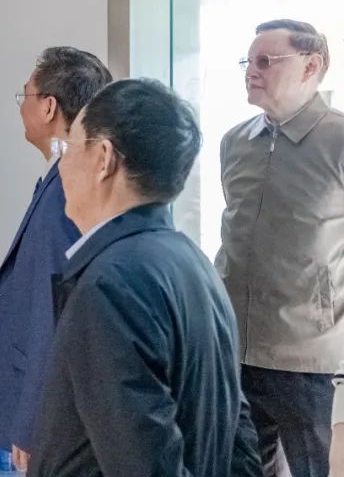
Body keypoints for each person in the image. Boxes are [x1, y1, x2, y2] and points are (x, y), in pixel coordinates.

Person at [30, 78, 260, 476]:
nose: (62, 163)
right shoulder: (193, 263)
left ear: (103, 158)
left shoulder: (111, 285)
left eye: (68, 147)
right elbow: (239, 441)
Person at [216, 19, 344, 477]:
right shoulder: (235, 142)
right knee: (241, 467)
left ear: (311, 66)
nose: (252, 71)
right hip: (236, 348)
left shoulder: (338, 139)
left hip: (307, 356)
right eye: (248, 61)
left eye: (266, 61)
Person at [0, 47, 112, 471]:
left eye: (27, 96)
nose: (22, 107)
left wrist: (34, 422)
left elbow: (54, 309)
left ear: (49, 107)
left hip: (52, 414)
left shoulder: (69, 190)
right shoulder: (67, 175)